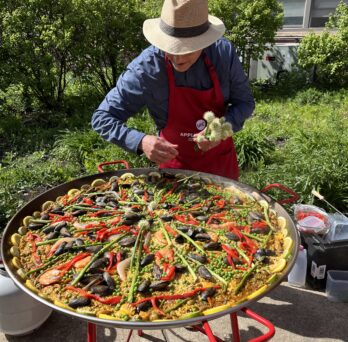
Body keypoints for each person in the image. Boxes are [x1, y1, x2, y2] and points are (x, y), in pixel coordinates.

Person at [92, 0, 255, 180]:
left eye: (188, 48)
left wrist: (221, 128)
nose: (177, 58)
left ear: (205, 41)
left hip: (220, 168)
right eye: (171, 47)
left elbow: (245, 103)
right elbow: (102, 118)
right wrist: (140, 141)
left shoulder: (223, 54)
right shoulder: (147, 67)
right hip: (173, 174)